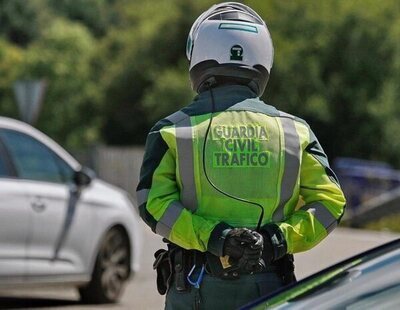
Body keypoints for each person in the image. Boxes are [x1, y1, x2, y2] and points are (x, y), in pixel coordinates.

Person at [136, 2, 346, 309]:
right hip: (270, 287)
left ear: (197, 57)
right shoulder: (295, 132)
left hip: (195, 288)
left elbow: (153, 205)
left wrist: (217, 238)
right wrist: (277, 240)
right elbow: (331, 204)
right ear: (264, 59)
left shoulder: (172, 130)